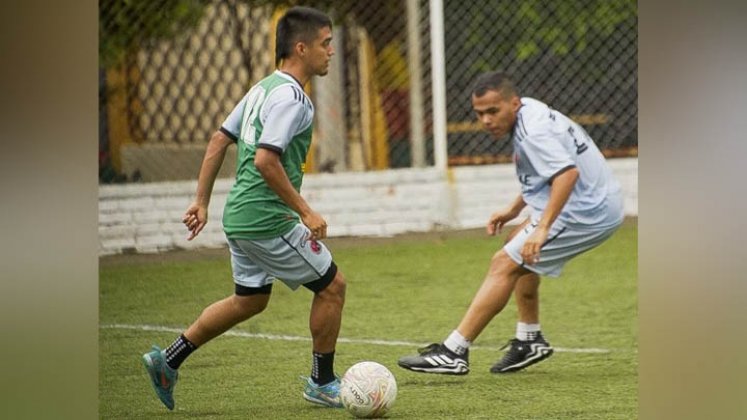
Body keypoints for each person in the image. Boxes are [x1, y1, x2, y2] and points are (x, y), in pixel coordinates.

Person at [141, 6, 347, 410]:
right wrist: (305, 211)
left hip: (238, 216)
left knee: (250, 299)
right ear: (301, 48)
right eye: (326, 44)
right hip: (266, 219)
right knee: (332, 288)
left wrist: (201, 201)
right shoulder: (292, 98)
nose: (331, 52)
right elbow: (265, 161)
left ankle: (168, 361)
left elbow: (220, 140)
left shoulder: (264, 88)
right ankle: (322, 383)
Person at [398, 71, 624, 375]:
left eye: (493, 111)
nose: (486, 121)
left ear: (513, 103)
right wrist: (512, 210)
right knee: (516, 246)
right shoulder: (528, 111)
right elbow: (546, 172)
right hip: (592, 199)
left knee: (503, 263)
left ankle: (454, 351)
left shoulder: (533, 133)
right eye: (480, 114)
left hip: (586, 210)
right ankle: (529, 339)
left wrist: (542, 228)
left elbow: (566, 175)